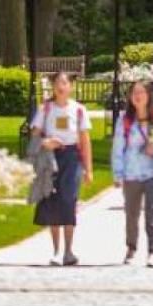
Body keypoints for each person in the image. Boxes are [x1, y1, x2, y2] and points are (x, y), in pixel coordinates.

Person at [30, 72, 93, 266]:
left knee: (69, 200)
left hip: (71, 158)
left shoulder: (79, 109)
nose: (61, 86)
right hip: (51, 159)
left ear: (70, 86)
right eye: (57, 83)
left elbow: (85, 140)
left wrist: (88, 169)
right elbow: (34, 137)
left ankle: (69, 250)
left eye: (64, 83)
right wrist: (46, 142)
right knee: (53, 201)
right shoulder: (45, 109)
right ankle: (56, 251)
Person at [112, 81, 153, 268]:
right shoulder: (125, 120)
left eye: (142, 92)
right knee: (131, 214)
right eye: (134, 93)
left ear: (148, 95)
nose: (138, 96)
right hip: (131, 173)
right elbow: (118, 148)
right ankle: (131, 247)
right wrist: (117, 173)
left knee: (152, 213)